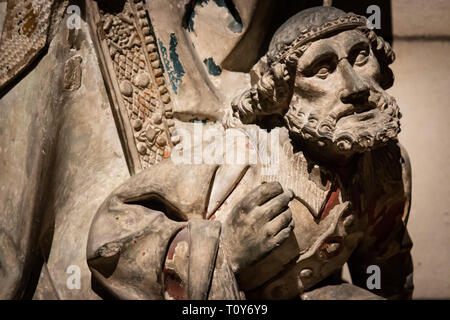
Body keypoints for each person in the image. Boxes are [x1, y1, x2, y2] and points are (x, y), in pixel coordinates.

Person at [86, 6, 413, 300]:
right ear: (285, 95)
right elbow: (113, 231)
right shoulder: (237, 158)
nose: (354, 86)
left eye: (360, 57)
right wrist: (225, 250)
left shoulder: (385, 166)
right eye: (322, 70)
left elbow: (385, 270)